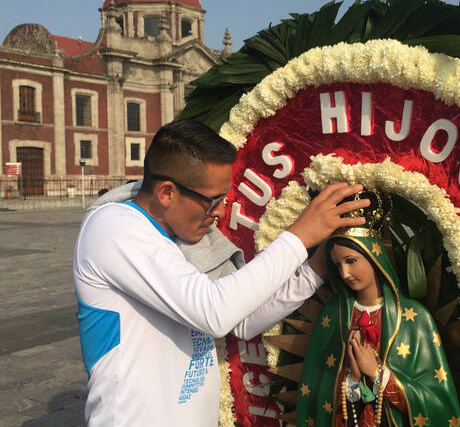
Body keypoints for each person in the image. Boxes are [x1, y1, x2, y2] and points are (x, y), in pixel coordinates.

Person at [73, 120, 368, 427]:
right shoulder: (114, 227)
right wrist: (299, 236)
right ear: (166, 193)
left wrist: (315, 268)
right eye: (212, 201)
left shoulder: (180, 239)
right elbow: (215, 312)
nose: (220, 212)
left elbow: (241, 321)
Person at [296, 190, 460, 427]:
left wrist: (377, 374)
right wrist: (351, 378)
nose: (344, 273)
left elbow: (439, 402)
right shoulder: (335, 315)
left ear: (374, 258)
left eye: (351, 261)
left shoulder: (414, 318)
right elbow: (316, 390)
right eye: (337, 264)